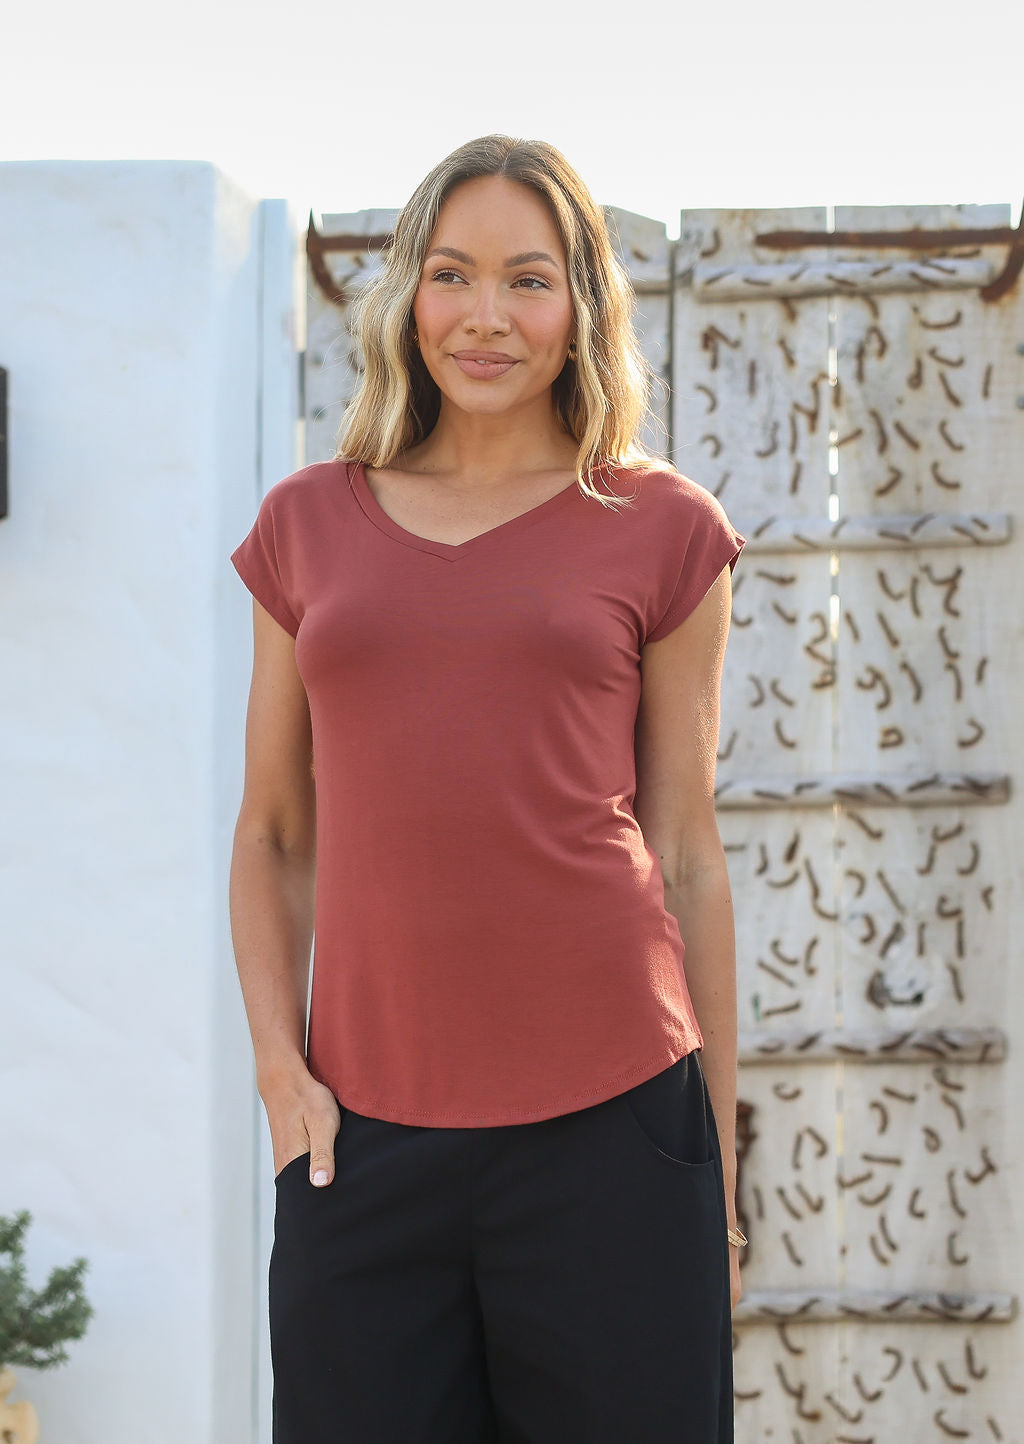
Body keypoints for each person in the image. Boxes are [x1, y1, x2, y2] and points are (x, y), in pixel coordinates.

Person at [228, 133, 747, 1444]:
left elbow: (687, 849)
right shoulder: (309, 524)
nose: (486, 317)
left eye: (529, 280)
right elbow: (276, 833)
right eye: (453, 274)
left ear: (581, 310)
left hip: (619, 1133)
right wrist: (284, 1085)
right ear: (408, 294)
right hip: (365, 1148)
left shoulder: (665, 527)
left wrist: (715, 1170)